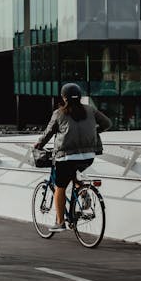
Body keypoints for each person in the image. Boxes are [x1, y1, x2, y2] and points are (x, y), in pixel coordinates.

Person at [34, 83, 111, 232]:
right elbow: (107, 123)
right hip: (89, 156)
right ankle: (83, 191)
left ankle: (60, 222)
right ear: (80, 96)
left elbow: (48, 133)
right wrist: (95, 132)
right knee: (74, 174)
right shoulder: (90, 110)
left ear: (63, 97)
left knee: (60, 187)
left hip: (66, 157)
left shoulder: (59, 113)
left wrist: (38, 144)